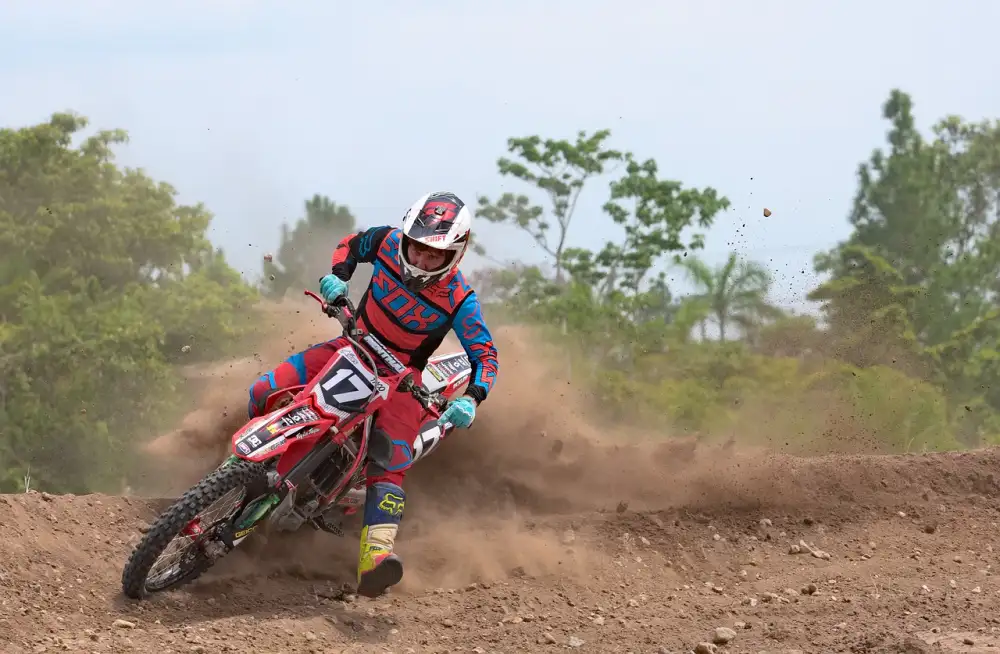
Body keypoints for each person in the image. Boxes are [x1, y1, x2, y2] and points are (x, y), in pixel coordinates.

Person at [247, 191, 499, 598]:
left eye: (433, 256)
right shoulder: (384, 242)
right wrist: (338, 276)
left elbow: (485, 354)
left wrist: (473, 397)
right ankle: (248, 472)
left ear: (456, 253)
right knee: (265, 389)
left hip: (403, 379)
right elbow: (351, 244)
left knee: (392, 454)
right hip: (353, 346)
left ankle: (375, 558)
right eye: (416, 248)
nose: (419, 260)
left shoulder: (460, 299)